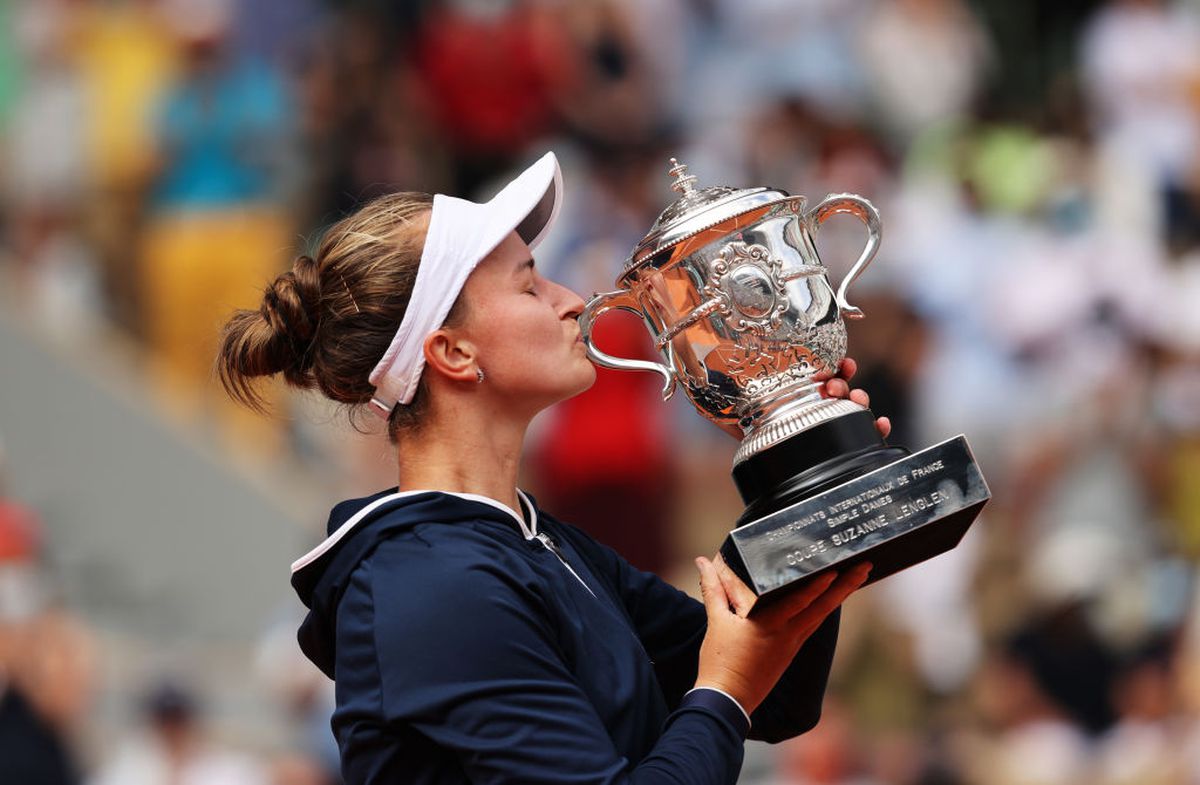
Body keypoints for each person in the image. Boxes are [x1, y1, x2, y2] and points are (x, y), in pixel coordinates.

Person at [216, 153, 888, 784]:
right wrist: (723, 692)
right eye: (530, 283)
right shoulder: (432, 588)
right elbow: (734, 689)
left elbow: (778, 693)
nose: (572, 298)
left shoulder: (532, 541)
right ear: (452, 351)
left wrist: (796, 456)